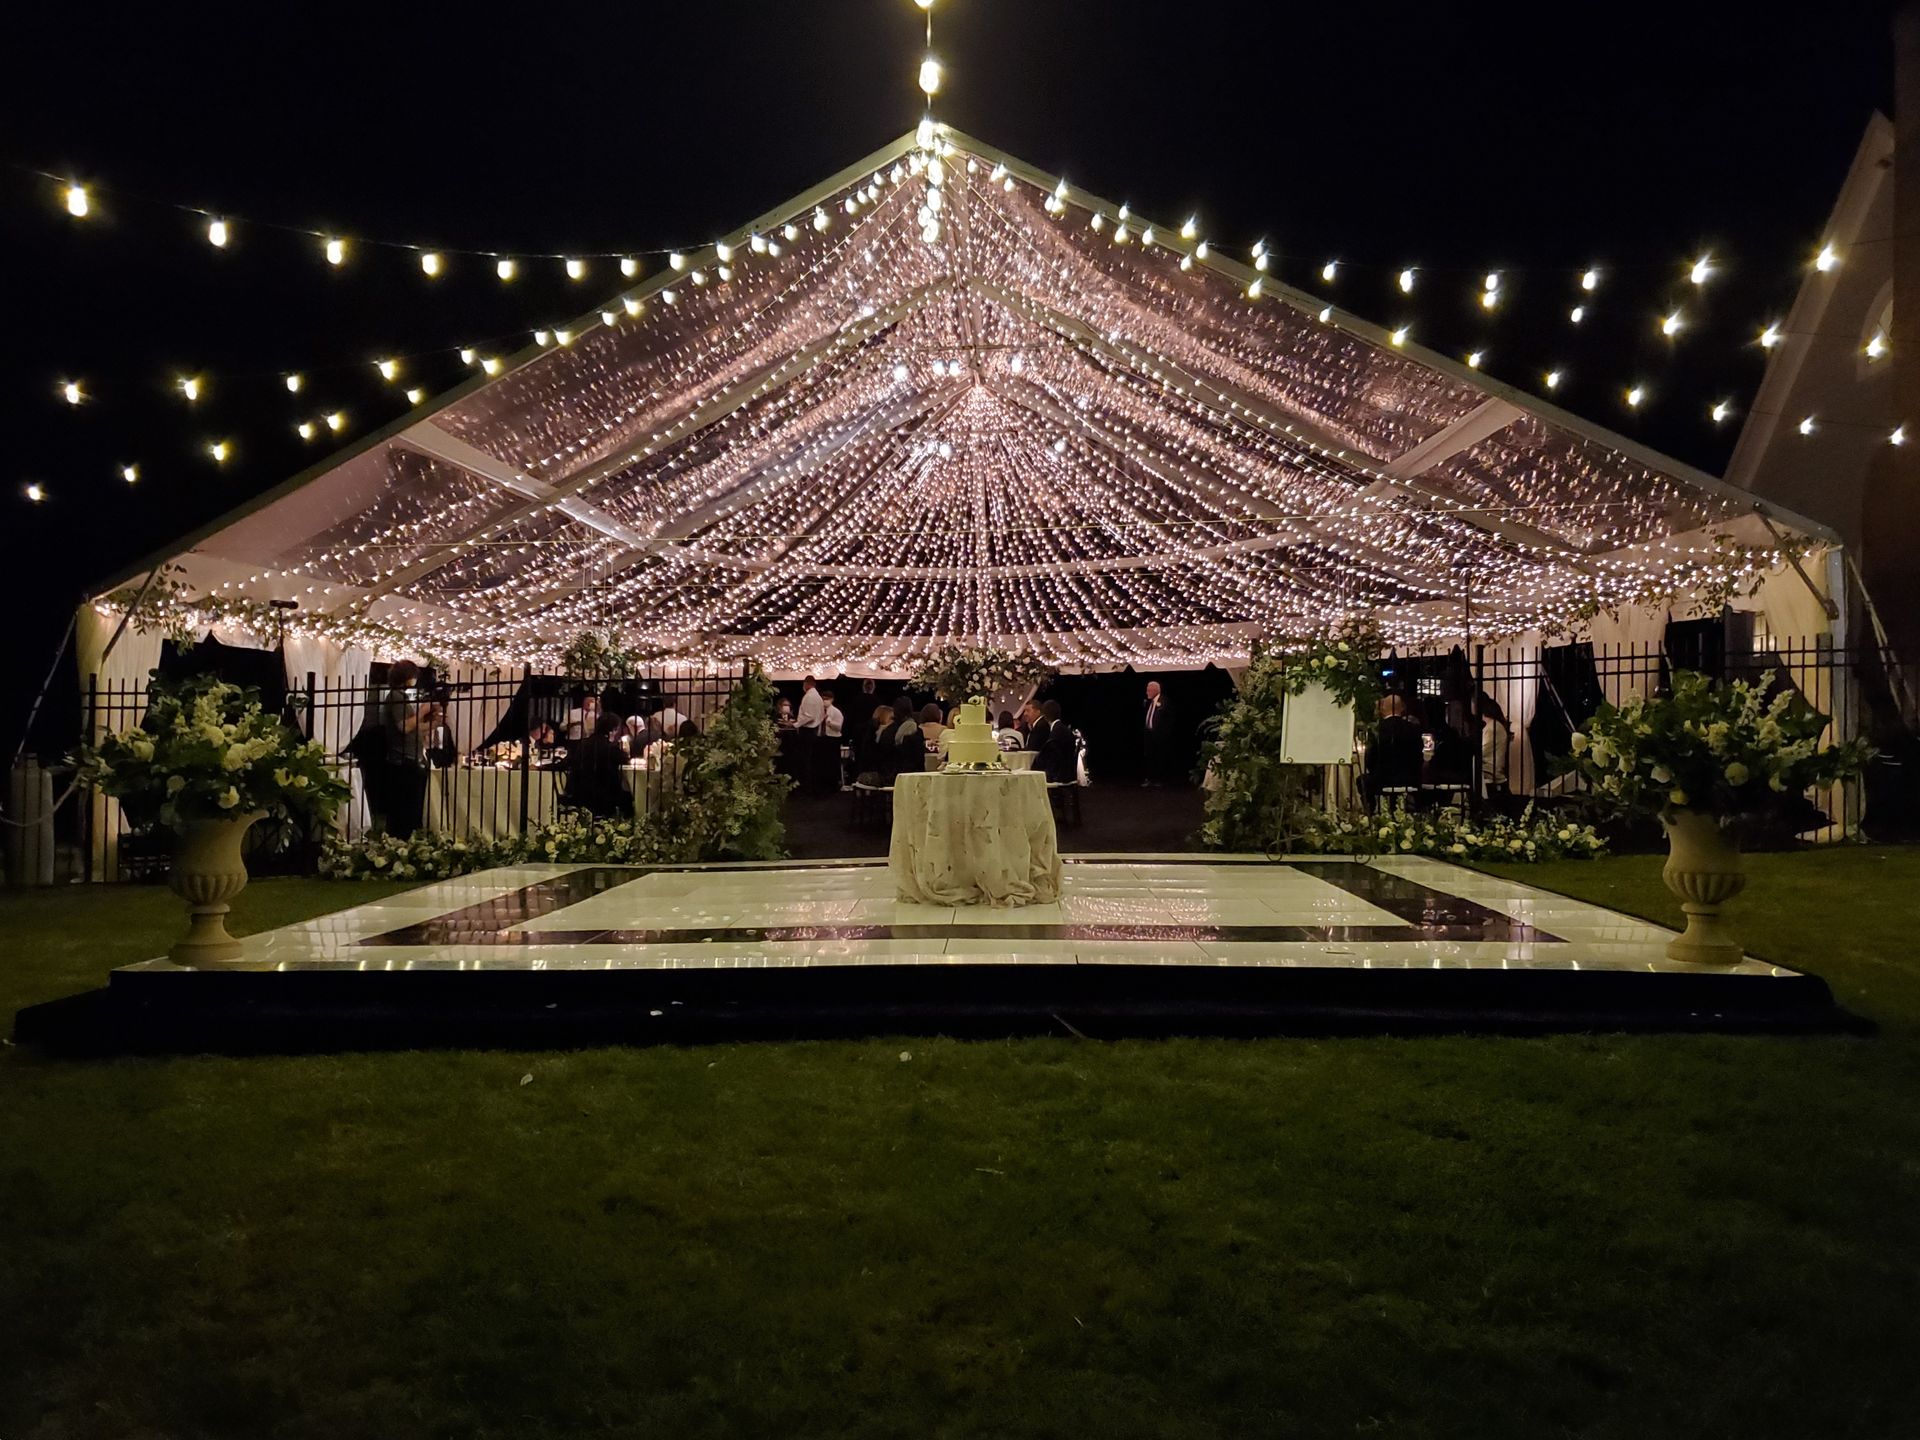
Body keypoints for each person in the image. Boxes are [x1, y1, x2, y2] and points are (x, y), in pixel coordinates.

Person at [379, 660, 429, 837]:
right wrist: (422, 712)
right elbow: (404, 726)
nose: (415, 680)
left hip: (409, 758)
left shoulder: (401, 697)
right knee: (405, 807)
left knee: (409, 806)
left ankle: (404, 836)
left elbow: (412, 728)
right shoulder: (396, 697)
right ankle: (401, 838)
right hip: (403, 760)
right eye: (413, 676)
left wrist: (433, 723)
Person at [1365, 693, 1425, 808]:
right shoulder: (1413, 728)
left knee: (1363, 781)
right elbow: (1418, 755)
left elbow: (1371, 759)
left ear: (1383, 708)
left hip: (1383, 778)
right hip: (1409, 778)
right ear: (1401, 708)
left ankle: (1371, 809)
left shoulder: (1377, 729)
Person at [566, 711, 630, 819]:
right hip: (604, 795)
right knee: (629, 798)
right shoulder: (610, 748)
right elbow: (625, 759)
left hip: (580, 792)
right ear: (613, 730)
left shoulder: (582, 744)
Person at [1036, 699, 1077, 785]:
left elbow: (1053, 757)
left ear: (1045, 716)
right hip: (1069, 772)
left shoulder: (1055, 732)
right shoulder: (1064, 729)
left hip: (1059, 775)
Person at [1141, 679, 1171, 787]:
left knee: (1159, 757)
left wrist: (1164, 733)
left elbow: (1169, 719)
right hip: (1149, 734)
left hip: (1160, 735)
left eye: (1148, 690)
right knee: (1149, 757)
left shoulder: (1164, 701)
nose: (1147, 692)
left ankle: (1159, 779)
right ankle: (1149, 778)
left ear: (1155, 690)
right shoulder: (1148, 702)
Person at [819, 686, 845, 792]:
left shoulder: (836, 712)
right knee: (823, 762)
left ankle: (833, 785)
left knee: (832, 762)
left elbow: (839, 727)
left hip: (833, 739)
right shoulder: (819, 711)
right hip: (822, 738)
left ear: (832, 699)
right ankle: (823, 784)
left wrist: (829, 722)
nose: (824, 701)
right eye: (823, 699)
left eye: (827, 699)